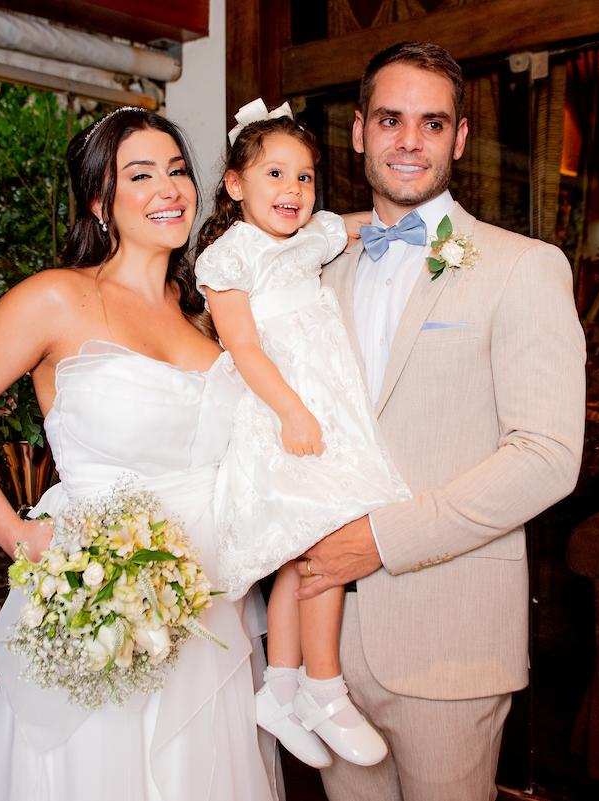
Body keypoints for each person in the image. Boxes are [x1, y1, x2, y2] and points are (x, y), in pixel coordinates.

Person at [0, 107, 277, 801]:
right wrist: (18, 534)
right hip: (102, 602)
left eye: (177, 170)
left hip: (211, 603)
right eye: (140, 175)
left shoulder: (206, 310)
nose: (169, 188)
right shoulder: (56, 298)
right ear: (99, 201)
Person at [297, 41, 586, 801]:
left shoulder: (522, 267)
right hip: (319, 647)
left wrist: (383, 540)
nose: (410, 141)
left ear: (459, 139)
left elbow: (547, 454)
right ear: (359, 131)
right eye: (391, 119)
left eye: (432, 123)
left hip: (449, 643)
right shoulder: (314, 268)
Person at [192, 104, 409, 770]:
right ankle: (322, 685)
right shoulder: (230, 256)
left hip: (326, 412)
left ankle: (284, 686)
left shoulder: (307, 237)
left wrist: (394, 228)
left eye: (306, 177)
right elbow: (245, 348)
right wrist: (291, 411)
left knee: (304, 553)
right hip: (281, 416)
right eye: (276, 174)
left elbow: (342, 228)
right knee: (319, 545)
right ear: (235, 185)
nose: (294, 190)